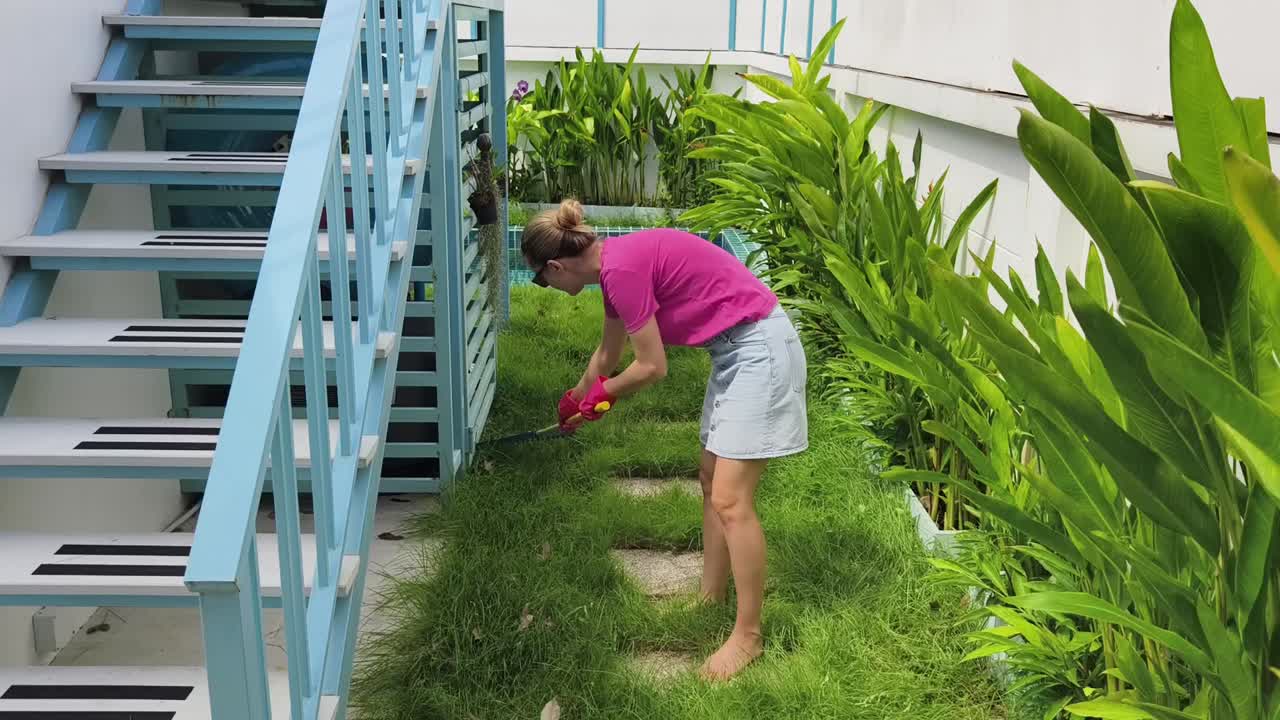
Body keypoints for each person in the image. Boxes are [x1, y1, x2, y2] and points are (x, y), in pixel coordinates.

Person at [521, 200, 808, 681]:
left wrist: (602, 400)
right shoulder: (615, 267)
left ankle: (749, 637)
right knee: (709, 476)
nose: (546, 287)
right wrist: (573, 402)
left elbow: (652, 367)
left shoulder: (623, 270)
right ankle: (711, 596)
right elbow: (608, 353)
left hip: (759, 349)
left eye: (540, 279)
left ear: (554, 267)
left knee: (731, 500)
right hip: (735, 350)